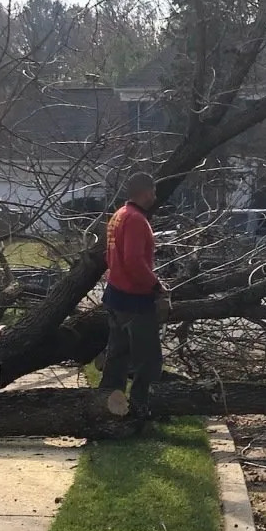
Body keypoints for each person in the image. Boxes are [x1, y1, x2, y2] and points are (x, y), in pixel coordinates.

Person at [99, 172, 168, 417]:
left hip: (115, 295)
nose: (155, 197)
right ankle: (140, 409)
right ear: (146, 192)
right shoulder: (137, 220)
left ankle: (106, 406)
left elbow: (110, 257)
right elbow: (134, 261)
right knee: (148, 360)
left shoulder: (118, 216)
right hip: (135, 299)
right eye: (154, 192)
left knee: (117, 357)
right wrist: (156, 286)